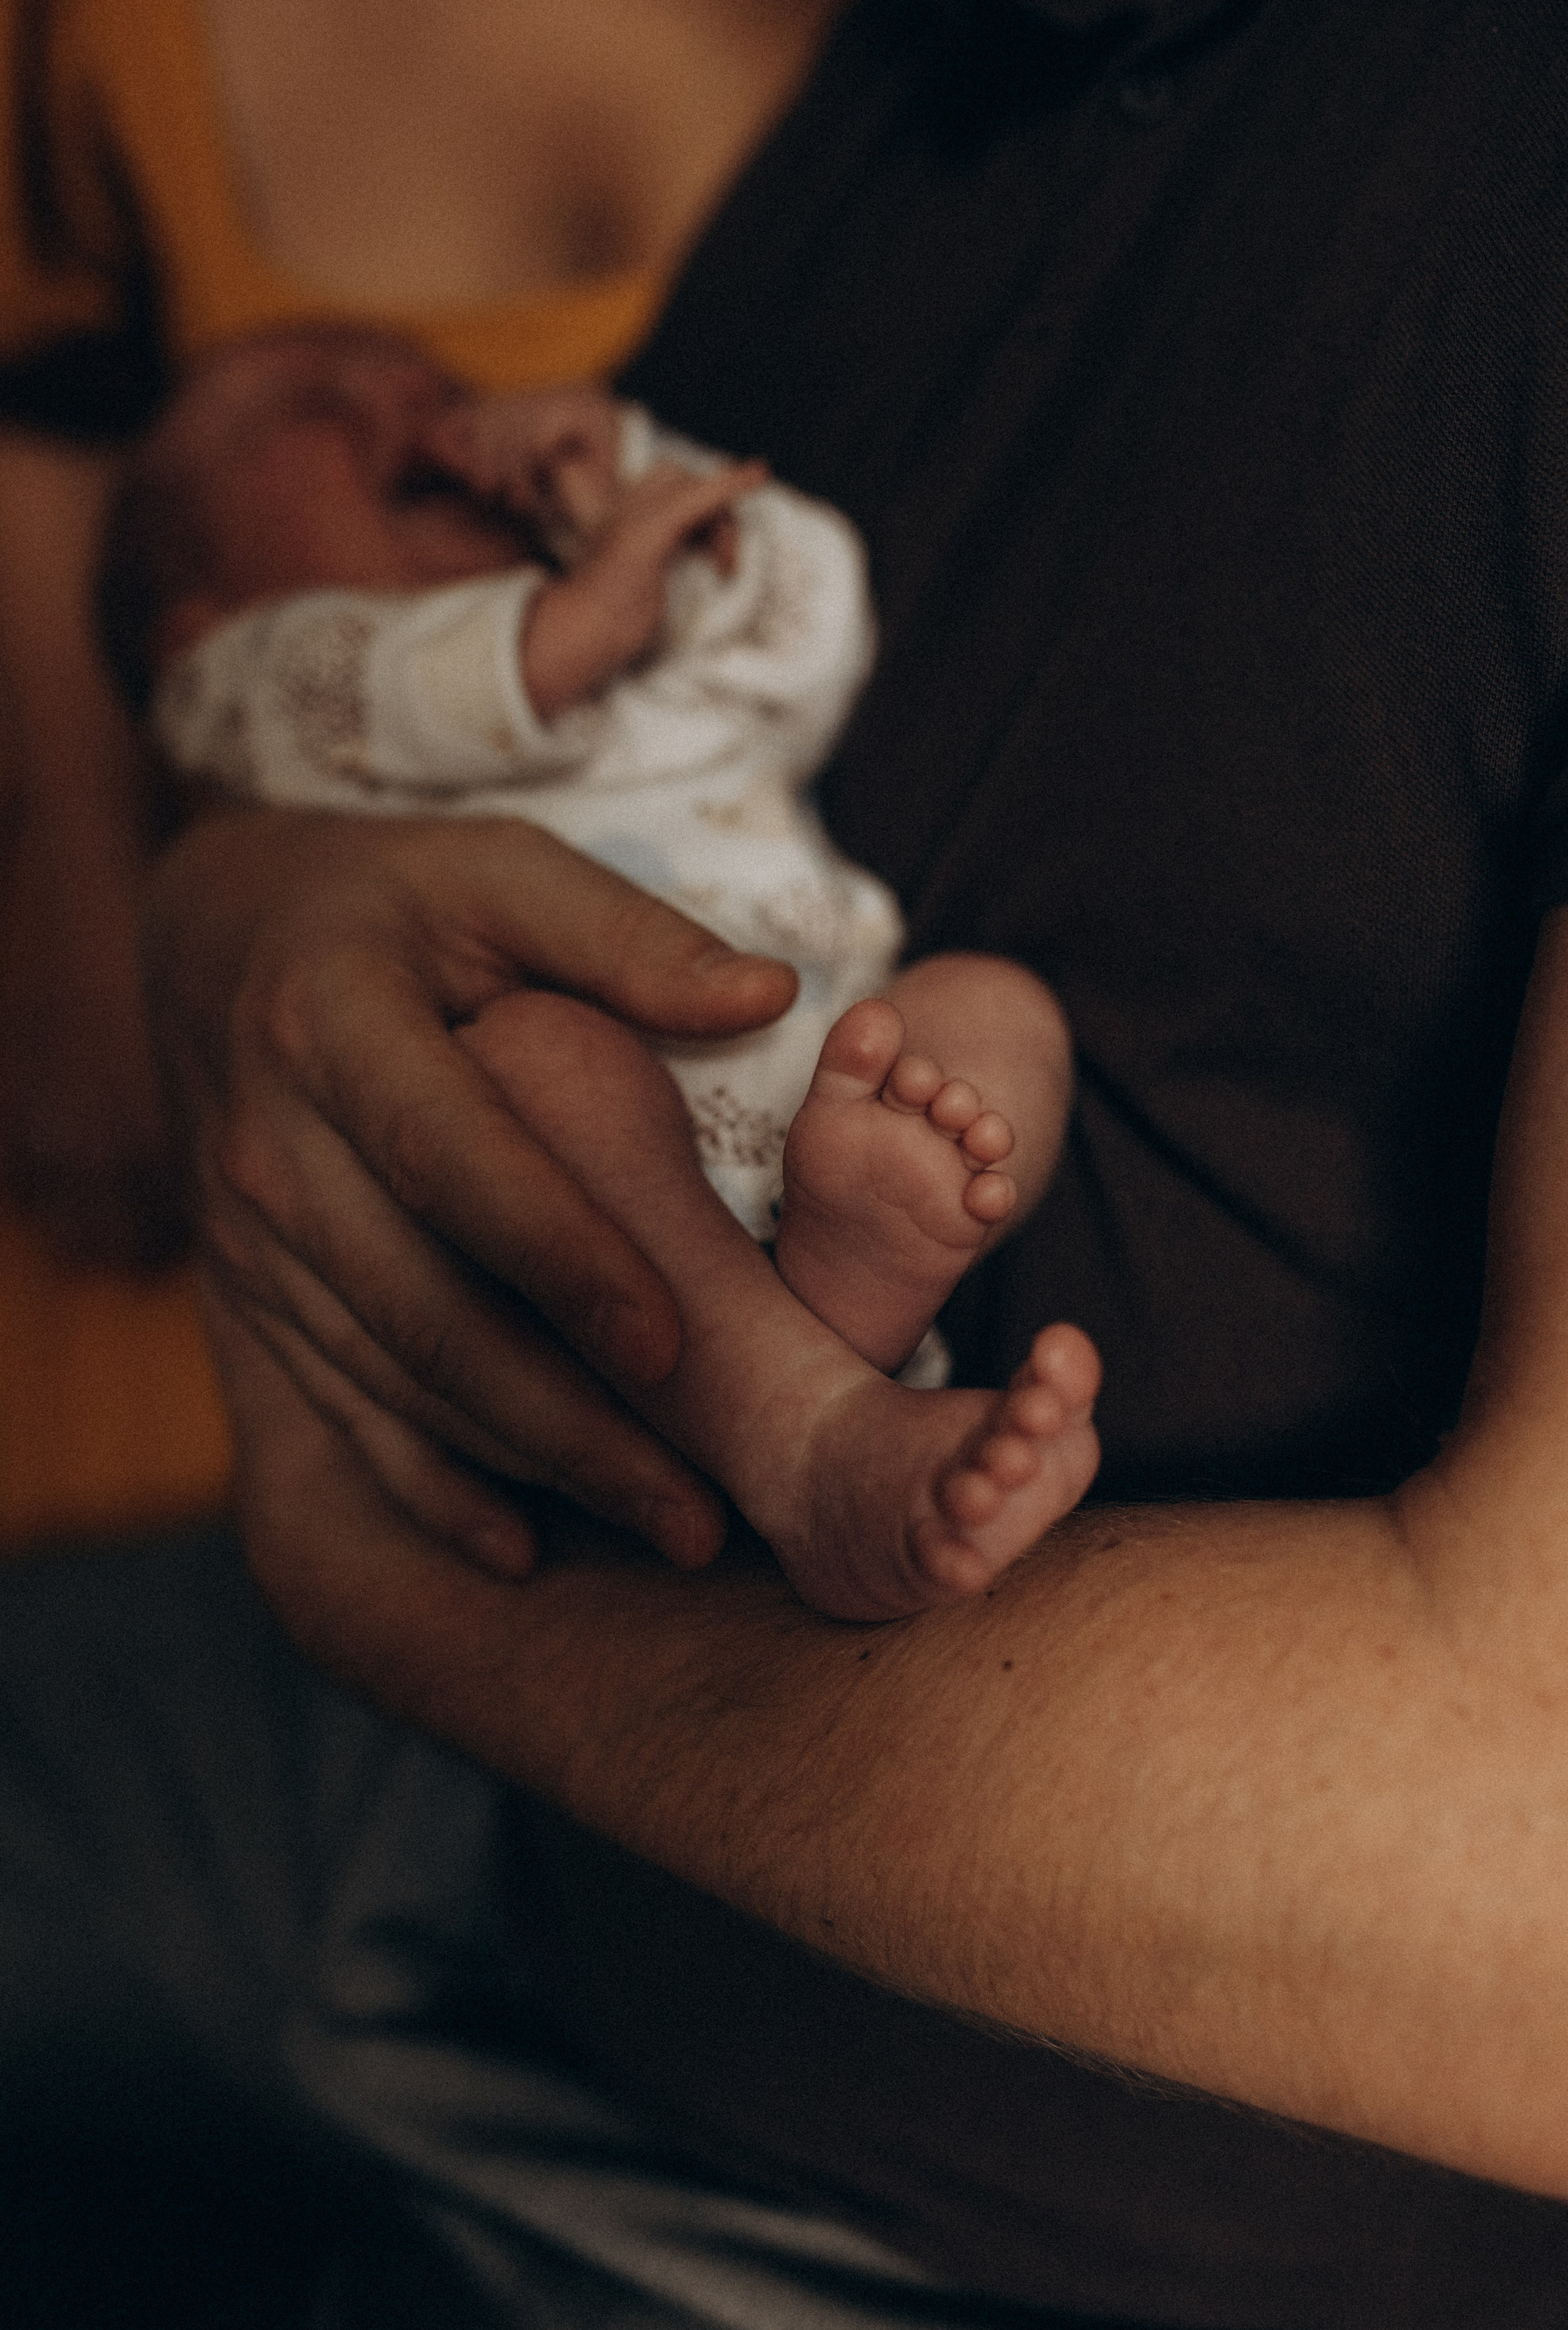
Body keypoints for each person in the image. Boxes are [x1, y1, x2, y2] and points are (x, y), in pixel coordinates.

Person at [13, 0, 1568, 2330]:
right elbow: (762, 640)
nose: (411, 419)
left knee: (959, 1043)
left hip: (939, 2216)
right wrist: (251, 926)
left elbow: (1524, 1899)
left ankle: (807, 1387)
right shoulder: (960, 74)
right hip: (482, 1792)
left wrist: (436, 1622)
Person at [115, 325, 1098, 1616]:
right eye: (308, 400)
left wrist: (635, 484)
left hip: (833, 1076)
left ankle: (849, 1278)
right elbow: (394, 691)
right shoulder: (253, 694)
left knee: (991, 1007)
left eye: (431, 378)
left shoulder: (651, 638)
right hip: (596, 1162)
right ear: (198, 613)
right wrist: (577, 615)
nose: (404, 391)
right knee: (533, 1063)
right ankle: (807, 1439)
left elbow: (814, 632)